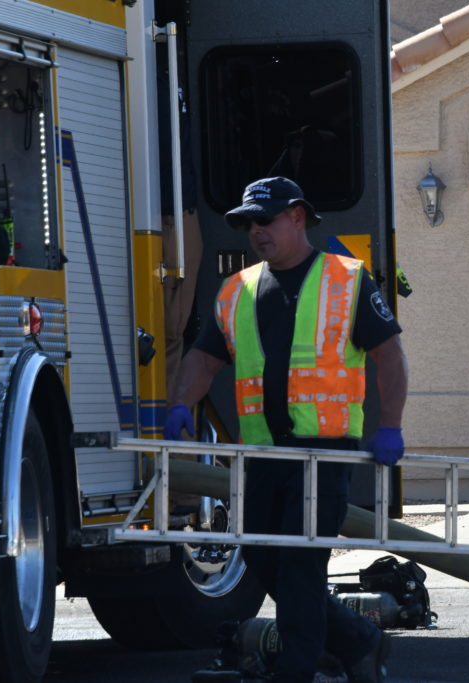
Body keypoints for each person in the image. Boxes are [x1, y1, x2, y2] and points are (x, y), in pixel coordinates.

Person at [164, 177, 407, 683]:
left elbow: (388, 354)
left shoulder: (347, 278)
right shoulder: (238, 289)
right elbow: (204, 358)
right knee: (261, 557)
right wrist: (182, 402)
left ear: (298, 216)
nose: (256, 231)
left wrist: (390, 425)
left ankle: (296, 670)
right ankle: (359, 641)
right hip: (263, 454)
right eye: (248, 223)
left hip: (323, 453)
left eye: (266, 219)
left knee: (299, 565)